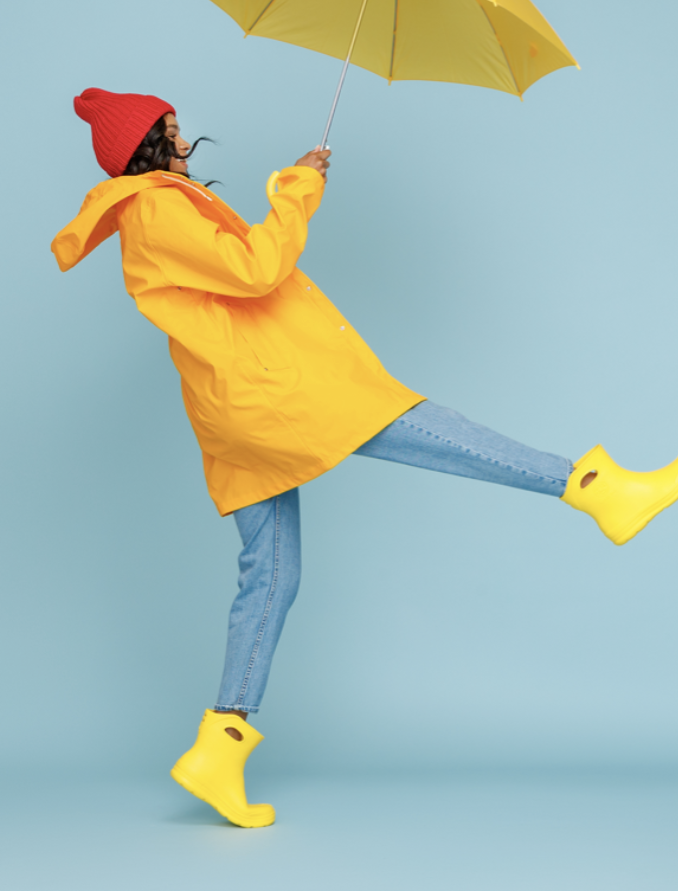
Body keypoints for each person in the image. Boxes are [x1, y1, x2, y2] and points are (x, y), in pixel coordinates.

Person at [53, 87, 678, 829]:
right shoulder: (156, 207)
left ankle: (218, 749)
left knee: (271, 576)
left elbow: (229, 279)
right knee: (421, 425)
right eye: (172, 131)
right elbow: (256, 268)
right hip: (269, 392)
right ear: (146, 146)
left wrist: (298, 185)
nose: (185, 143)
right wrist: (298, 189)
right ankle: (595, 488)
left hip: (231, 407)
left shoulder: (155, 210)